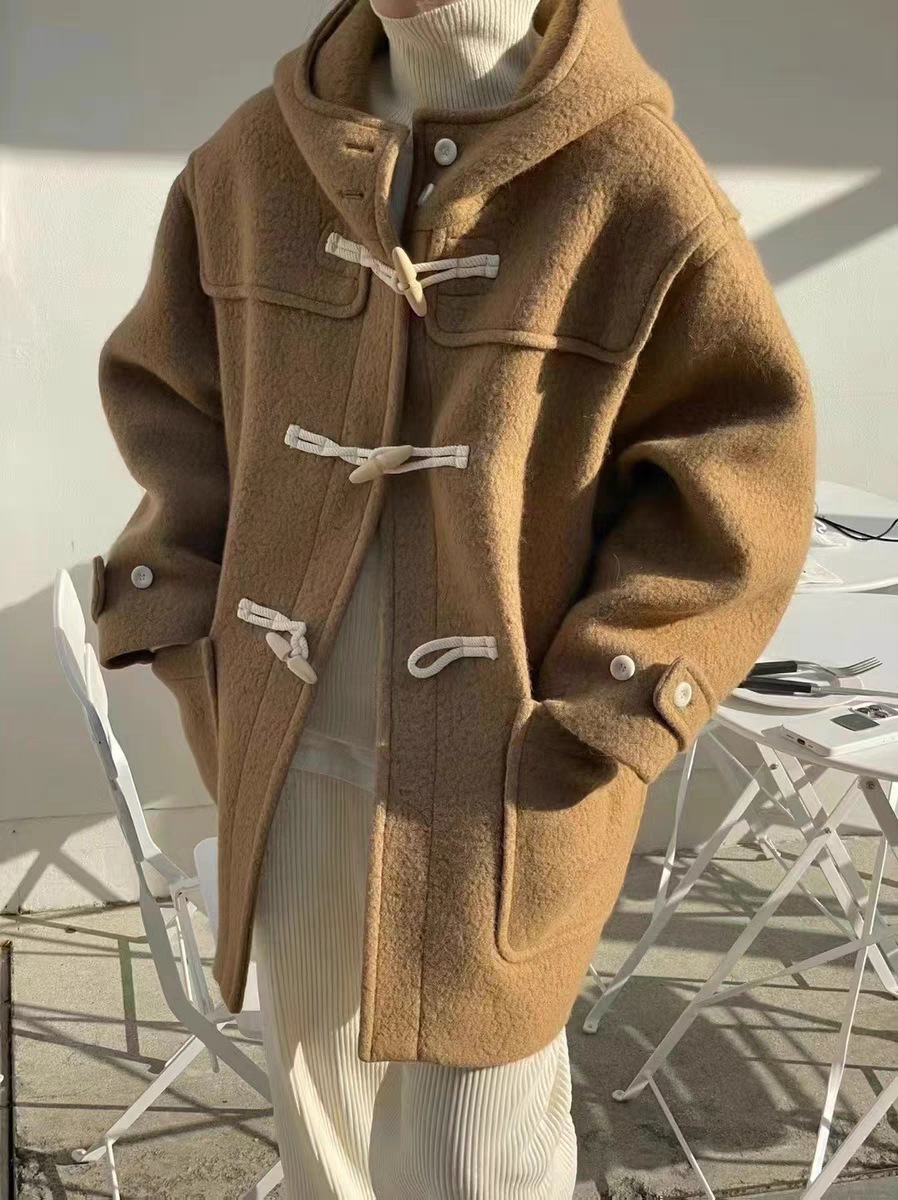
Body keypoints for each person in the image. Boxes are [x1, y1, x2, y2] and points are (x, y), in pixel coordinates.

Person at [92, 0, 815, 1195]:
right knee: (318, 1126)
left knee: (479, 1152)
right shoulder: (256, 158)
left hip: (504, 771)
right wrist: (182, 614)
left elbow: (740, 469)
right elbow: (173, 399)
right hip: (283, 741)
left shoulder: (629, 178)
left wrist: (612, 702)